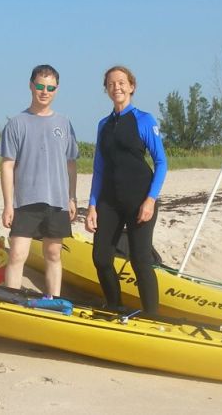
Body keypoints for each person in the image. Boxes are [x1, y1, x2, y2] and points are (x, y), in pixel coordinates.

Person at [85, 65, 167, 314]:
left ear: (131, 86)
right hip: (110, 201)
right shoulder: (103, 125)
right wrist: (92, 205)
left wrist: (150, 200)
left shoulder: (144, 120)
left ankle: (152, 316)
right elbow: (99, 168)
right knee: (100, 257)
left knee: (141, 261)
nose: (116, 87)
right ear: (106, 90)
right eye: (111, 83)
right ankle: (114, 305)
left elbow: (161, 162)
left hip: (140, 199)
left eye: (121, 82)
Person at [0, 64, 78, 297]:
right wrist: (7, 204)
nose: (45, 92)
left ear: (56, 90)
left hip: (57, 202)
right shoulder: (16, 123)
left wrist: (72, 198)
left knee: (53, 254)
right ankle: (10, 300)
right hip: (26, 202)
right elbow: (7, 165)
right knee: (17, 254)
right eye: (40, 86)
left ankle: (53, 301)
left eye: (50, 88)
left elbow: (71, 164)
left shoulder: (64, 124)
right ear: (31, 86)